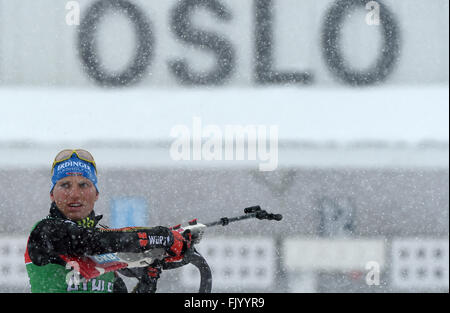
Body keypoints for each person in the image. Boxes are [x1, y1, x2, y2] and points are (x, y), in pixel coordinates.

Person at [24, 149, 190, 293]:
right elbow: (89, 242)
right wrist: (160, 237)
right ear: (52, 194)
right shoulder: (45, 230)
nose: (74, 194)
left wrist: (149, 278)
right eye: (65, 185)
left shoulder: (107, 250)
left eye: (83, 185)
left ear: (96, 194)